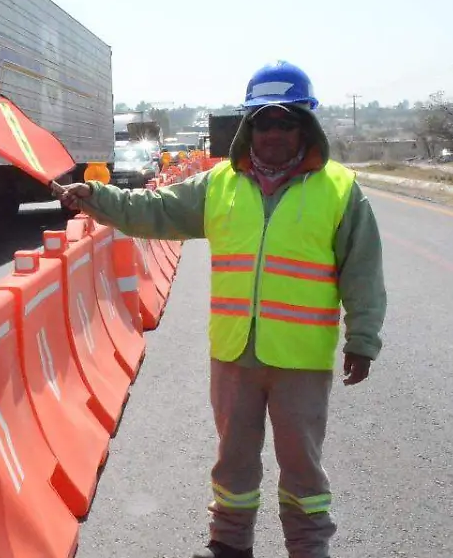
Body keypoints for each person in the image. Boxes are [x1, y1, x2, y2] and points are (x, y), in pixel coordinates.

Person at [57, 61, 387, 558]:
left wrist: (363, 339)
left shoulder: (339, 189)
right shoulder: (220, 185)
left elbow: (362, 270)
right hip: (234, 354)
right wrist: (96, 198)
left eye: (286, 121)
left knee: (302, 465)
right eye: (264, 121)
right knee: (233, 460)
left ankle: (309, 549)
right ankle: (229, 547)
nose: (275, 132)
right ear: (249, 127)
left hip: (301, 359)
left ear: (306, 126)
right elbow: (157, 209)